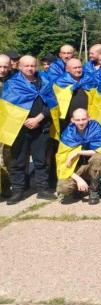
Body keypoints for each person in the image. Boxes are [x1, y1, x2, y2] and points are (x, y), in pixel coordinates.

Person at [2, 56, 57, 204]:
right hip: (19, 129)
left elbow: (52, 103)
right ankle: (18, 191)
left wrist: (38, 118)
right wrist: (23, 121)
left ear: (36, 66)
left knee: (41, 160)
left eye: (32, 65)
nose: (30, 68)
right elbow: (7, 108)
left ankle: (43, 189)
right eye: (26, 66)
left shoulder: (45, 81)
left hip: (41, 127)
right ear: (19, 67)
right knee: (18, 161)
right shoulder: (11, 84)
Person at [55, 109, 101, 205]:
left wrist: (78, 152)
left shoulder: (96, 129)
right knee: (63, 188)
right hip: (75, 169)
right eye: (77, 120)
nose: (81, 123)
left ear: (89, 118)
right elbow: (61, 162)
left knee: (98, 157)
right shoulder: (67, 134)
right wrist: (78, 179)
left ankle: (94, 191)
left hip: (92, 167)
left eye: (84, 119)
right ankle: (77, 189)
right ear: (72, 120)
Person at [52, 57, 97, 129]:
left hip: (87, 120)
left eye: (80, 67)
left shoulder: (90, 80)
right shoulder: (59, 83)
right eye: (75, 68)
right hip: (67, 121)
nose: (78, 70)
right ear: (67, 69)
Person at [0, 54, 13, 197]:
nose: (2, 70)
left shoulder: (15, 81)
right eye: (0, 67)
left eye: (5, 67)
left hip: (9, 126)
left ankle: (6, 186)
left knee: (7, 157)